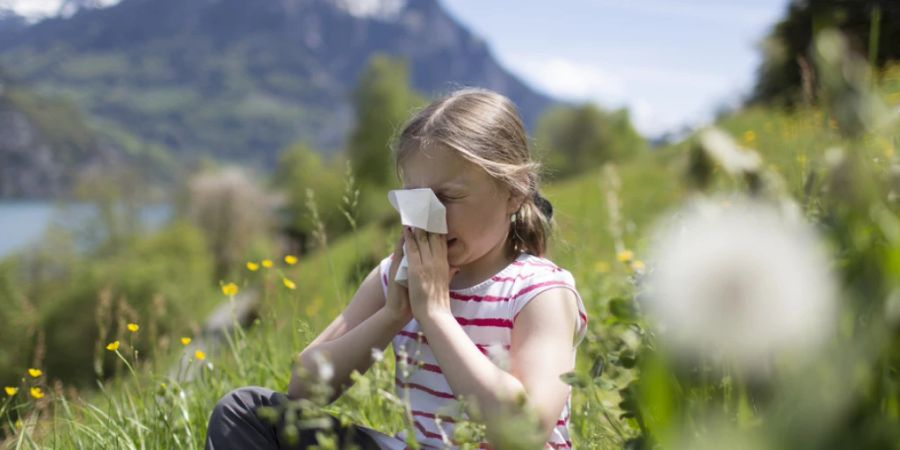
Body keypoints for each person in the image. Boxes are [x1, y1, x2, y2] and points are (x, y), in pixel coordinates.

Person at [205, 88, 589, 449]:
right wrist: (394, 313)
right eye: (416, 198)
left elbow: (525, 432)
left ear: (514, 191)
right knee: (244, 412)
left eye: (448, 197)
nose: (429, 216)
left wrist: (435, 315)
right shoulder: (395, 278)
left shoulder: (539, 291)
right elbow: (303, 387)